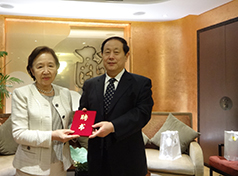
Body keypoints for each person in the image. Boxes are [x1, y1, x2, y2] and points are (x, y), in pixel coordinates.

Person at [79, 36, 154, 176]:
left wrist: (113, 126)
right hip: (97, 158)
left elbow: (142, 114)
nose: (111, 56)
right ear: (102, 55)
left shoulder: (140, 83)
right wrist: (83, 118)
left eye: (116, 52)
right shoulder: (90, 84)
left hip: (128, 158)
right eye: (107, 52)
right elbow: (84, 110)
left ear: (126, 56)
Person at [11, 46, 80, 176]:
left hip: (60, 164)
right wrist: (53, 135)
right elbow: (19, 134)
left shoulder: (64, 93)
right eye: (40, 66)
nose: (46, 71)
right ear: (32, 70)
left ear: (57, 68)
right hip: (30, 167)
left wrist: (81, 123)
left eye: (50, 65)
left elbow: (67, 123)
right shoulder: (22, 94)